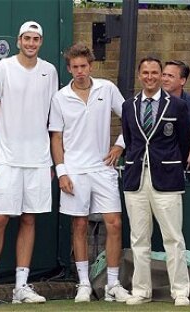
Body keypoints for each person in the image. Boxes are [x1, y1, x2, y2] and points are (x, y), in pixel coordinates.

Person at [0, 21, 58, 306]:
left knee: (30, 218)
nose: (31, 43)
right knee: (0, 218)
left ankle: (21, 287)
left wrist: (54, 161)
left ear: (41, 42)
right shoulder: (2, 69)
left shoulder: (50, 71)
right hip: (5, 159)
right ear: (18, 40)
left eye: (36, 39)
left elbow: (54, 119)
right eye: (27, 38)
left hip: (39, 160)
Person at [49, 43, 131, 303]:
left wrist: (119, 146)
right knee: (80, 224)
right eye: (75, 67)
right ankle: (84, 283)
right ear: (69, 69)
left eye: (83, 66)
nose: (80, 71)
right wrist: (62, 171)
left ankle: (113, 284)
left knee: (114, 223)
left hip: (102, 168)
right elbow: (56, 137)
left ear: (91, 66)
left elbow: (130, 118)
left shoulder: (106, 89)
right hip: (74, 170)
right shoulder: (60, 97)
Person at [121, 56, 190, 306]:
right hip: (136, 178)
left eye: (155, 73)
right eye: (145, 72)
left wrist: (172, 165)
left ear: (161, 75)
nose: (150, 77)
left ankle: (180, 291)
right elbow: (130, 141)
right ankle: (141, 290)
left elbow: (184, 142)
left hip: (168, 179)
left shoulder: (178, 106)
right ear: (139, 75)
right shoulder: (129, 105)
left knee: (173, 237)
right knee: (139, 238)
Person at [162, 60, 190, 124]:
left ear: (182, 81)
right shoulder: (154, 102)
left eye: (170, 76)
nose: (165, 79)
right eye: (164, 75)